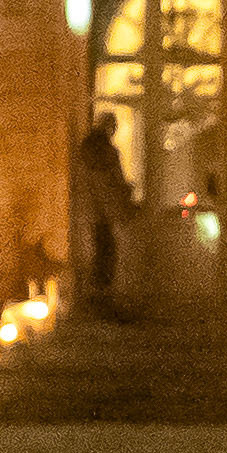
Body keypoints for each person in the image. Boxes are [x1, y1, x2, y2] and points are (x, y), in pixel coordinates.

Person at [70, 115, 135, 316]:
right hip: (103, 212)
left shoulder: (86, 151)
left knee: (98, 253)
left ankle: (94, 298)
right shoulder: (106, 153)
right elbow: (112, 183)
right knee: (106, 254)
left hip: (90, 212)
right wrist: (124, 197)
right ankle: (102, 299)